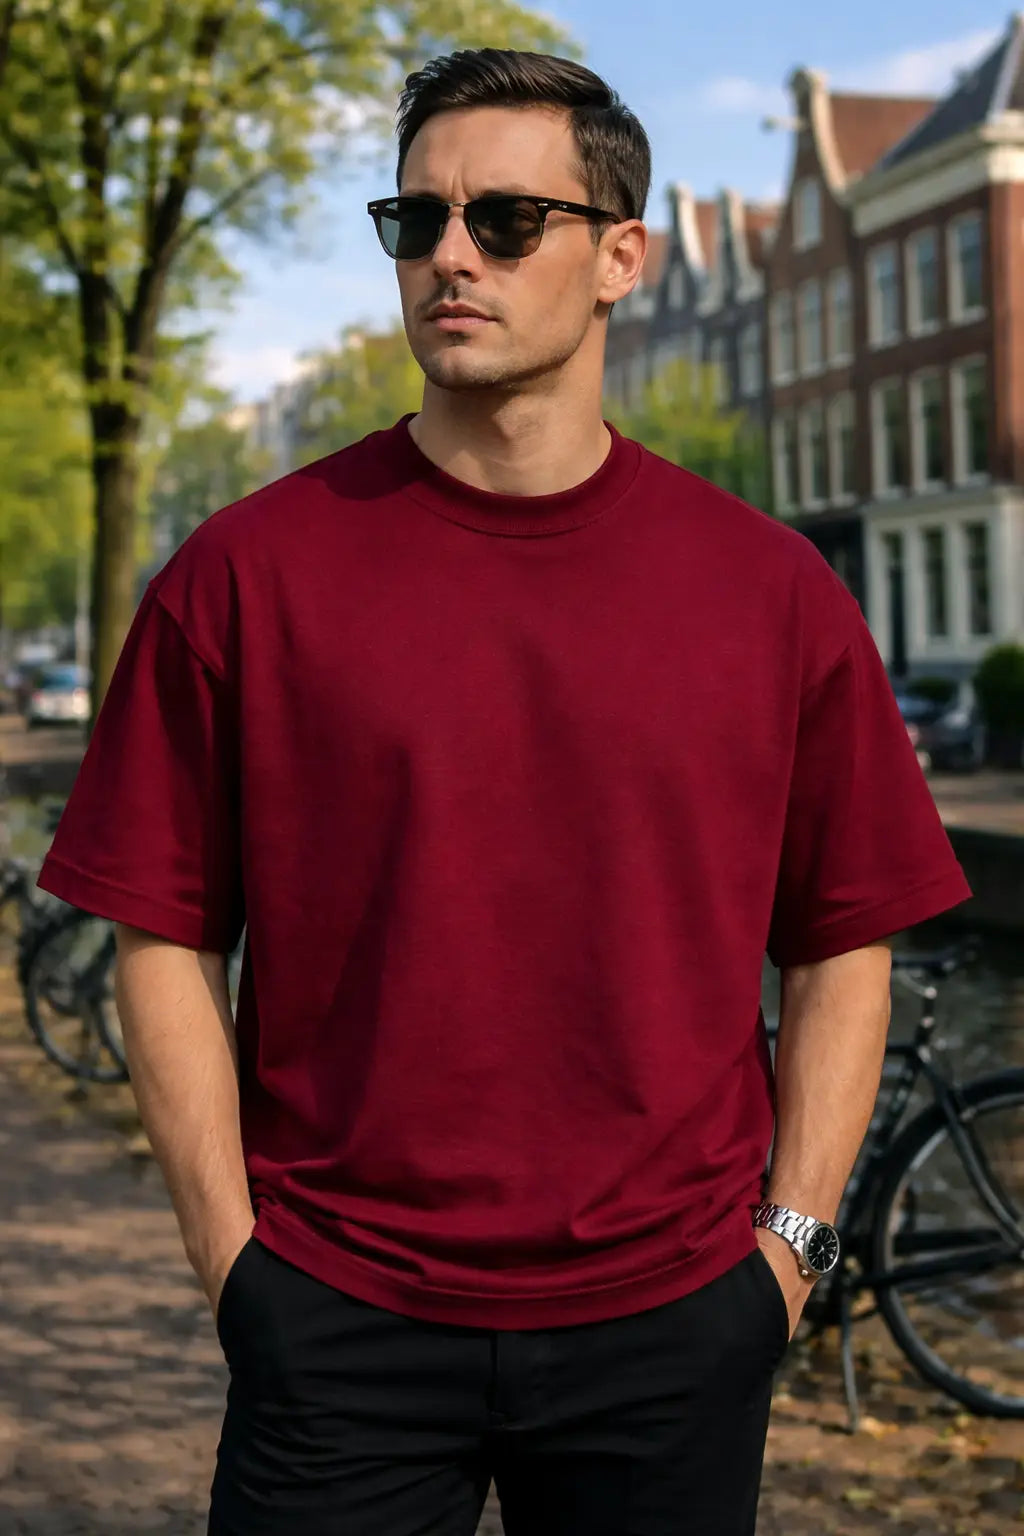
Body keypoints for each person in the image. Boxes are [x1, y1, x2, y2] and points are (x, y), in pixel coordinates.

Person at [38, 48, 972, 1536]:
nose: (449, 256)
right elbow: (161, 932)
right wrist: (237, 1265)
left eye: (504, 222)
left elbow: (843, 938)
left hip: (674, 1323)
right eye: (415, 223)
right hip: (335, 1320)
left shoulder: (771, 593)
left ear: (620, 260)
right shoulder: (245, 575)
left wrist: (785, 1251)